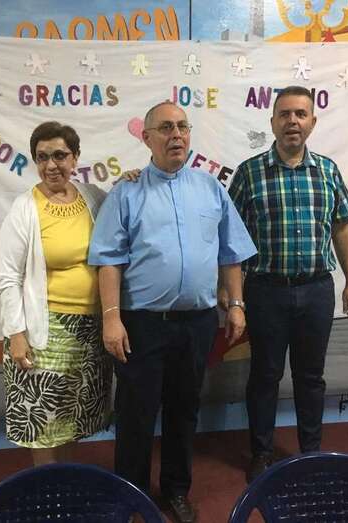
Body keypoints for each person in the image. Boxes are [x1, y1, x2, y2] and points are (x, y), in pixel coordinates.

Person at [88, 101, 256, 523]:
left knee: (184, 410)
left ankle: (177, 490)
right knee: (136, 413)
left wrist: (236, 305)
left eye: (182, 126)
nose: (176, 134)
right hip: (142, 324)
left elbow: (231, 253)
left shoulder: (211, 189)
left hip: (198, 324)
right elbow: (108, 260)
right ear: (147, 138)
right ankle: (132, 495)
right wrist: (111, 317)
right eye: (165, 127)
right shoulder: (126, 193)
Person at [227, 85, 348, 482]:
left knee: (310, 378)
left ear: (312, 123)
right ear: (272, 122)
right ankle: (261, 453)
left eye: (300, 114)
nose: (292, 121)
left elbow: (342, 227)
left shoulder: (327, 171)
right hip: (265, 291)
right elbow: (231, 238)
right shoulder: (250, 173)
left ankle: (311, 453)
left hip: (317, 290)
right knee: (265, 376)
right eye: (285, 114)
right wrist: (232, 295)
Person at [0, 121, 112, 465]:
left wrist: (133, 181)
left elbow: (122, 218)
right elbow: (8, 277)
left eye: (60, 155)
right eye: (42, 157)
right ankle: (47, 489)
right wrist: (16, 334)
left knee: (72, 419)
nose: (51, 165)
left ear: (75, 158)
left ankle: (66, 484)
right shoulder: (24, 208)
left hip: (90, 330)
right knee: (43, 424)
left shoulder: (94, 197)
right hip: (44, 332)